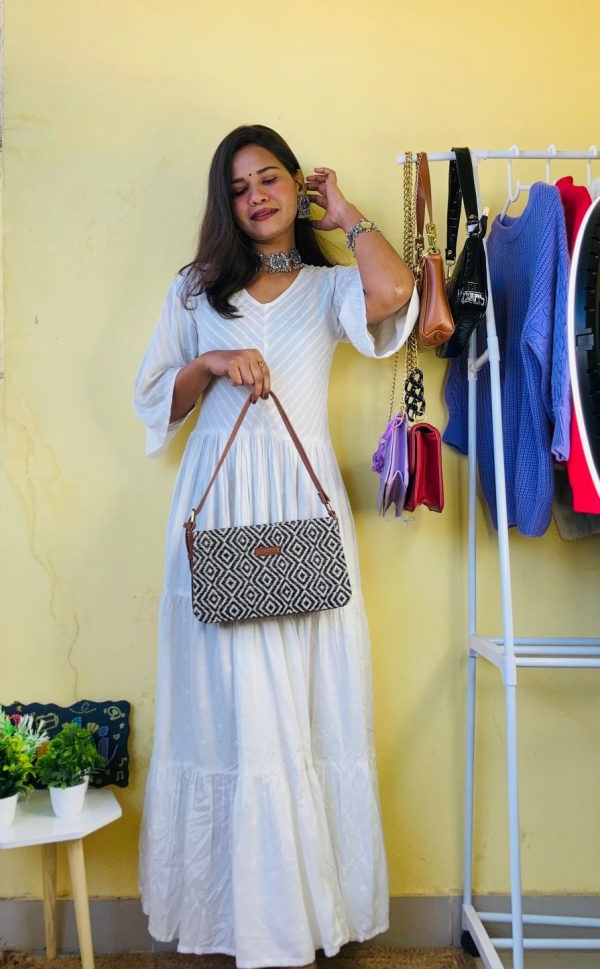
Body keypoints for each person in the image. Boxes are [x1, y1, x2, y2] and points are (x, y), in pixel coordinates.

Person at [134, 124, 418, 968]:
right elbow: (155, 399)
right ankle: (242, 923)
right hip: (221, 510)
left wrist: (347, 212)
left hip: (299, 505)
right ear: (224, 205)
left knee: (304, 700)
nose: (255, 196)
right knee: (229, 710)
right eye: (238, 187)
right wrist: (213, 361)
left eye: (270, 178)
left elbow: (395, 290)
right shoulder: (195, 290)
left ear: (297, 186)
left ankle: (300, 919)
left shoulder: (329, 287)